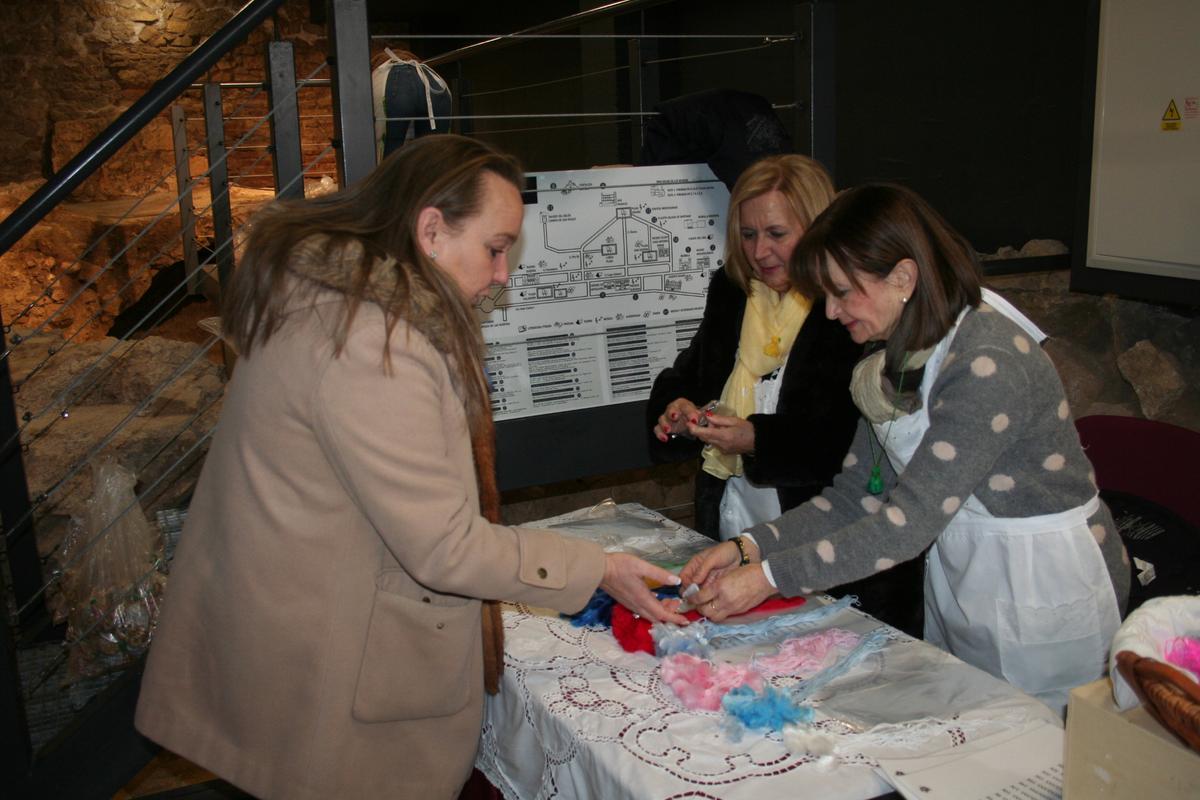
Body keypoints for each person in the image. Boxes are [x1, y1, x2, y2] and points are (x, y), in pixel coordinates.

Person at [134, 135, 687, 800]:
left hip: (292, 635)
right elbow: (444, 548)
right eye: (495, 246)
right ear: (430, 229)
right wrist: (597, 568)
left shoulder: (327, 301)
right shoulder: (372, 341)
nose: (504, 272)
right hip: (327, 672)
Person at [680, 183, 1131, 713]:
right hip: (967, 571)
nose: (829, 311)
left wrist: (767, 579)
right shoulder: (896, 357)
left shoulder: (988, 359)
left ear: (902, 278)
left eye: (842, 292)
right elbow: (854, 499)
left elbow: (906, 524)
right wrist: (746, 548)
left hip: (1042, 581)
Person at [647, 155, 925, 636]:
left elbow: (851, 454)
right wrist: (679, 407)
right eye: (748, 235)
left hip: (833, 543)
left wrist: (757, 440)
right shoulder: (733, 292)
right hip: (744, 518)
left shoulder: (853, 312)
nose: (760, 251)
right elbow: (691, 372)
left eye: (777, 234)